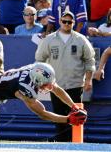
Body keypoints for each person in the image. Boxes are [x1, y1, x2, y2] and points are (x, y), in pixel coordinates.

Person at [0, 62, 87, 129]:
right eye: (45, 85)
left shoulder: (36, 70)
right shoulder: (26, 88)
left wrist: (73, 106)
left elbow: (56, 89)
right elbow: (42, 113)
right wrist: (67, 120)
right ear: (36, 81)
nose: (48, 87)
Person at [35, 10, 95, 142]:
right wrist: (41, 80)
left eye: (70, 22)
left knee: (77, 117)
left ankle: (75, 144)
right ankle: (61, 145)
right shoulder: (49, 39)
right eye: (64, 21)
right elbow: (39, 59)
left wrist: (89, 79)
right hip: (55, 86)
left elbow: (90, 60)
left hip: (75, 84)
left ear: (74, 23)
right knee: (59, 117)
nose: (67, 24)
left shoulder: (81, 39)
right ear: (59, 21)